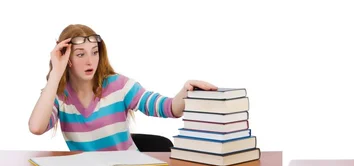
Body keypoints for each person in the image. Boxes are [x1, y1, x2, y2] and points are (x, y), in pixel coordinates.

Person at [28, 24, 218, 151]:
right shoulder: (58, 96)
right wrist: (56, 73)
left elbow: (166, 107)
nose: (90, 61)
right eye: (80, 54)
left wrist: (185, 93)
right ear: (67, 59)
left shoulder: (118, 86)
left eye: (94, 53)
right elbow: (36, 127)